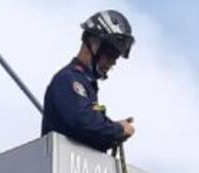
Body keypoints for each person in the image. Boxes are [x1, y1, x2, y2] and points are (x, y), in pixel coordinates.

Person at [41, 10, 136, 151]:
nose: (113, 63)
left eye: (115, 58)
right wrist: (118, 130)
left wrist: (113, 129)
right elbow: (84, 123)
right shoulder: (68, 79)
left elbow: (91, 127)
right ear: (94, 43)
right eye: (110, 54)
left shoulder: (86, 85)